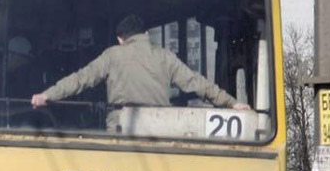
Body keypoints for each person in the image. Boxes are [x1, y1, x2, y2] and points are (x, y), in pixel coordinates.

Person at [31, 14, 249, 131]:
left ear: (120, 39)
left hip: (121, 130)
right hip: (160, 131)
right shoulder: (165, 56)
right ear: (146, 34)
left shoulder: (112, 55)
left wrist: (47, 95)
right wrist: (231, 103)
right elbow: (196, 83)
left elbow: (80, 79)